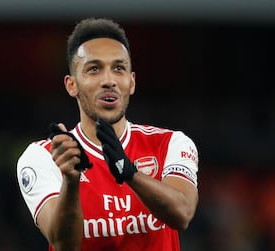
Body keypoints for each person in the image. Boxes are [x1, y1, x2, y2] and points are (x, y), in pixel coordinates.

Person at [17, 17, 199, 251]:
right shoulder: (45, 157)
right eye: (94, 69)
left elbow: (182, 214)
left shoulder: (170, 143)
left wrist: (129, 172)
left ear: (131, 82)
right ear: (71, 85)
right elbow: (63, 243)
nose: (108, 80)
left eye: (118, 68)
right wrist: (71, 182)